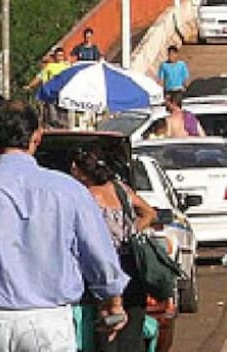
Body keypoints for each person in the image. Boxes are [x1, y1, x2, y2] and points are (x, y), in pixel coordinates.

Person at [0, 100, 130, 352]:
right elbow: (99, 253)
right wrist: (112, 301)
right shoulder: (68, 189)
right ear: (37, 137)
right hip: (49, 320)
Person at [69, 147, 157, 352]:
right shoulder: (121, 188)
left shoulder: (87, 195)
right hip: (132, 265)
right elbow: (149, 213)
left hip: (104, 267)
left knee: (108, 329)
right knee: (133, 330)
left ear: (80, 172)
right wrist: (130, 233)